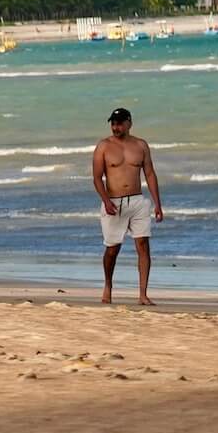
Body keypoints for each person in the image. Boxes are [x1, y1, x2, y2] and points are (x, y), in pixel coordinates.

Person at [91, 106, 163, 305]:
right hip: (113, 203)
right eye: (113, 124)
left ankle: (142, 294)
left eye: (120, 123)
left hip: (138, 201)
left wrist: (157, 204)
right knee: (112, 249)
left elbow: (149, 174)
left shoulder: (140, 145)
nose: (116, 127)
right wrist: (106, 201)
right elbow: (97, 178)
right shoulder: (103, 146)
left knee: (143, 245)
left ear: (129, 123)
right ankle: (108, 285)